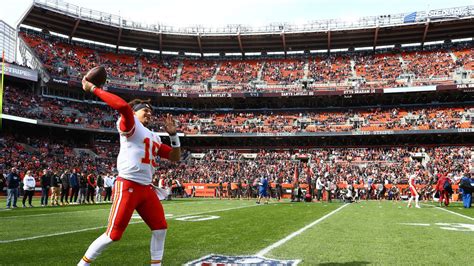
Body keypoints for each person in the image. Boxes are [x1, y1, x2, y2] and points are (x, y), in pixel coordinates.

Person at [78, 77, 181, 266]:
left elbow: (174, 157)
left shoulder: (154, 136)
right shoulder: (131, 125)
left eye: (150, 111)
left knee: (160, 228)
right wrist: (93, 88)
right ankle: (82, 264)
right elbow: (124, 107)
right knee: (113, 235)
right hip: (128, 184)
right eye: (145, 110)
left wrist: (173, 135)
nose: (149, 113)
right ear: (135, 113)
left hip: (146, 189)